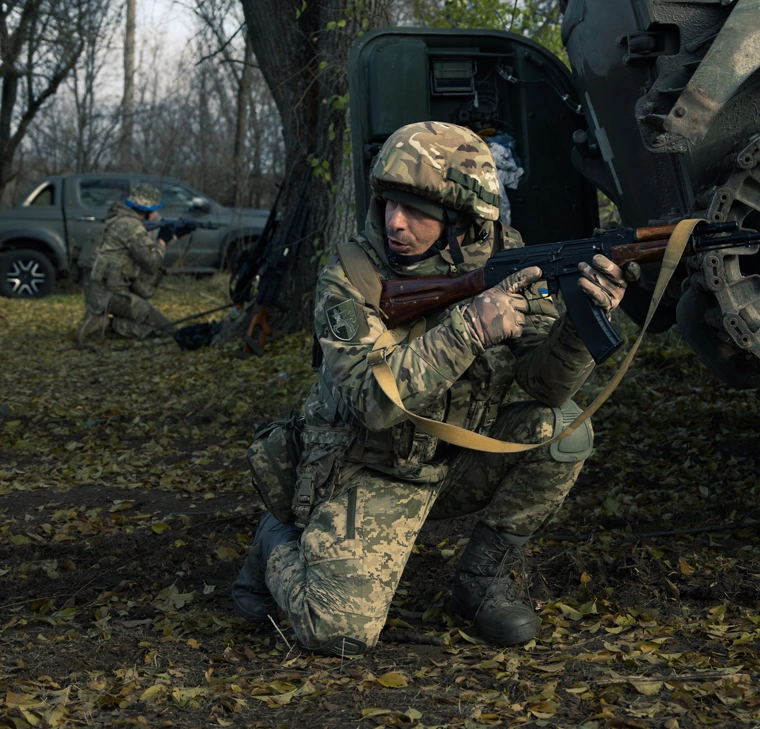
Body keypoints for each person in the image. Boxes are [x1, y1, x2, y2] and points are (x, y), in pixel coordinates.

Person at [231, 121, 638, 656]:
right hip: (369, 467)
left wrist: (583, 321)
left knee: (564, 431)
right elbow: (372, 403)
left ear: (462, 219)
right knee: (335, 632)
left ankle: (481, 583)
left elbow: (545, 386)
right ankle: (275, 540)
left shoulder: (508, 257)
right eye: (389, 203)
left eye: (416, 210)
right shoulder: (351, 273)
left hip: (456, 458)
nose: (395, 222)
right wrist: (470, 329)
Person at [76, 183, 174, 344]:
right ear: (146, 210)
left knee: (148, 316)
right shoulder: (133, 226)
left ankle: (99, 319)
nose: (156, 214)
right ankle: (108, 324)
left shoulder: (114, 219)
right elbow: (151, 264)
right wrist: (163, 242)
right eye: (154, 210)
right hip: (111, 295)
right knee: (165, 328)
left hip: (96, 292)